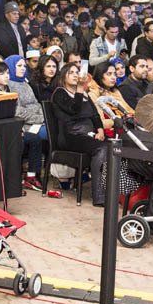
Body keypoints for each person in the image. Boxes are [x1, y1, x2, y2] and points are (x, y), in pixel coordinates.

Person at [50, 63, 107, 206]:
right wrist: (80, 88)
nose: (76, 75)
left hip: (88, 134)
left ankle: (113, 192)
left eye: (77, 72)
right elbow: (74, 110)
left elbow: (94, 115)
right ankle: (99, 196)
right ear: (64, 76)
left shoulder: (84, 94)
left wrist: (100, 130)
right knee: (102, 149)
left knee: (114, 147)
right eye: (72, 72)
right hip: (70, 136)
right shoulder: (59, 93)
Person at [5, 55, 46, 192]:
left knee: (54, 131)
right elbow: (18, 111)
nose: (23, 69)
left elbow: (37, 105)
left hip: (37, 121)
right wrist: (40, 118)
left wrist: (41, 115)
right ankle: (34, 175)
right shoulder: (8, 85)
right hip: (23, 125)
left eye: (24, 66)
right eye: (19, 66)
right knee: (48, 133)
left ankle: (37, 174)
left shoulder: (25, 84)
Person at [87, 62, 134, 131]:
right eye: (109, 74)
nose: (113, 77)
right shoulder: (93, 94)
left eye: (115, 74)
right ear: (99, 76)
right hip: (112, 132)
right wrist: (121, 119)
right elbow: (101, 122)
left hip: (127, 127)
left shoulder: (115, 91)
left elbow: (128, 111)